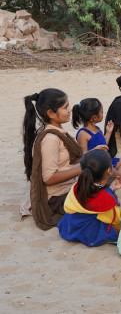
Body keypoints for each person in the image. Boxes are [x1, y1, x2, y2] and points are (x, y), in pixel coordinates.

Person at [23, 89, 82, 230]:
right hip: (57, 197)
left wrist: (93, 154)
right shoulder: (50, 139)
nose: (69, 110)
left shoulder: (59, 132)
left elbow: (68, 161)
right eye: (65, 107)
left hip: (68, 186)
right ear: (51, 113)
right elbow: (49, 178)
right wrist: (82, 168)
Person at [58, 149, 121, 247]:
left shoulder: (77, 186)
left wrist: (111, 189)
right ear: (109, 171)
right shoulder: (105, 199)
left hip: (69, 229)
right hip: (89, 235)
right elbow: (119, 218)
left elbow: (94, 195)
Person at [72, 98, 121, 178]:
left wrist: (108, 132)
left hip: (106, 161)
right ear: (94, 118)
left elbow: (103, 144)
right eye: (101, 112)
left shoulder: (97, 129)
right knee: (111, 169)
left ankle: (115, 176)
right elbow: (83, 156)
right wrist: (95, 150)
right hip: (96, 166)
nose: (103, 114)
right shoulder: (83, 134)